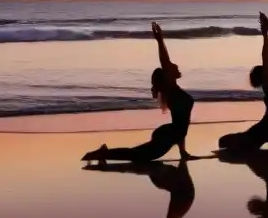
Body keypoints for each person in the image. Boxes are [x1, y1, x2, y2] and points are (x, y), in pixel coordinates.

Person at [82, 23, 193, 163]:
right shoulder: (172, 90)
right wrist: (160, 40)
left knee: (136, 153)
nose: (176, 66)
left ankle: (104, 153)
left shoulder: (174, 90)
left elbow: (182, 127)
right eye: (173, 67)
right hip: (167, 135)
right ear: (168, 75)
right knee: (136, 155)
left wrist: (183, 153)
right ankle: (101, 154)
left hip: (169, 134)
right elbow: (165, 60)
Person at [218, 13, 268, 152]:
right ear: (265, 74)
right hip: (261, 132)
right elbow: (267, 58)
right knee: (224, 142)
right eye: (266, 69)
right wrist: (266, 35)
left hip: (263, 132)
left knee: (232, 142)